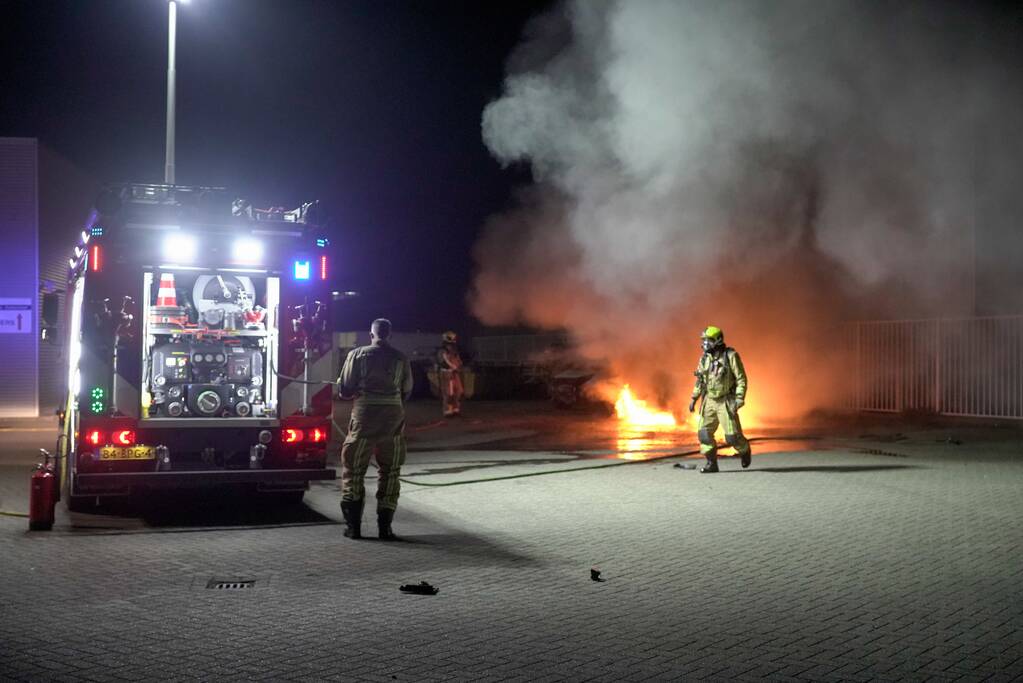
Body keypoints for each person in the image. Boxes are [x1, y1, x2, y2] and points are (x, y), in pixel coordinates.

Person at [337, 318, 413, 539]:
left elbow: (346, 388)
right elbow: (407, 390)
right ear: (390, 335)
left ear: (371, 335)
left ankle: (353, 528)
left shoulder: (357, 355)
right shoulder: (401, 358)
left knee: (353, 469)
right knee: (390, 471)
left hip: (364, 417)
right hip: (392, 419)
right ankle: (385, 528)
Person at [688, 326, 751, 473]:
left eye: (708, 340)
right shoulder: (704, 359)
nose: (705, 344)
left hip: (725, 401)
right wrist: (694, 398)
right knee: (704, 433)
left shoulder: (731, 356)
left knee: (732, 437)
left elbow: (741, 378)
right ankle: (712, 464)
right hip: (709, 400)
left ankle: (745, 450)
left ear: (717, 340)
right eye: (704, 341)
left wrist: (739, 398)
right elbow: (700, 380)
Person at [436, 330, 464, 417]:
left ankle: (456, 409)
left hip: (454, 373)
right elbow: (443, 362)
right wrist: (451, 366)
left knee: (458, 391)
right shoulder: (442, 351)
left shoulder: (454, 350)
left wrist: (458, 365)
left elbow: (458, 360)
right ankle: (448, 411)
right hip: (446, 373)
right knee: (448, 393)